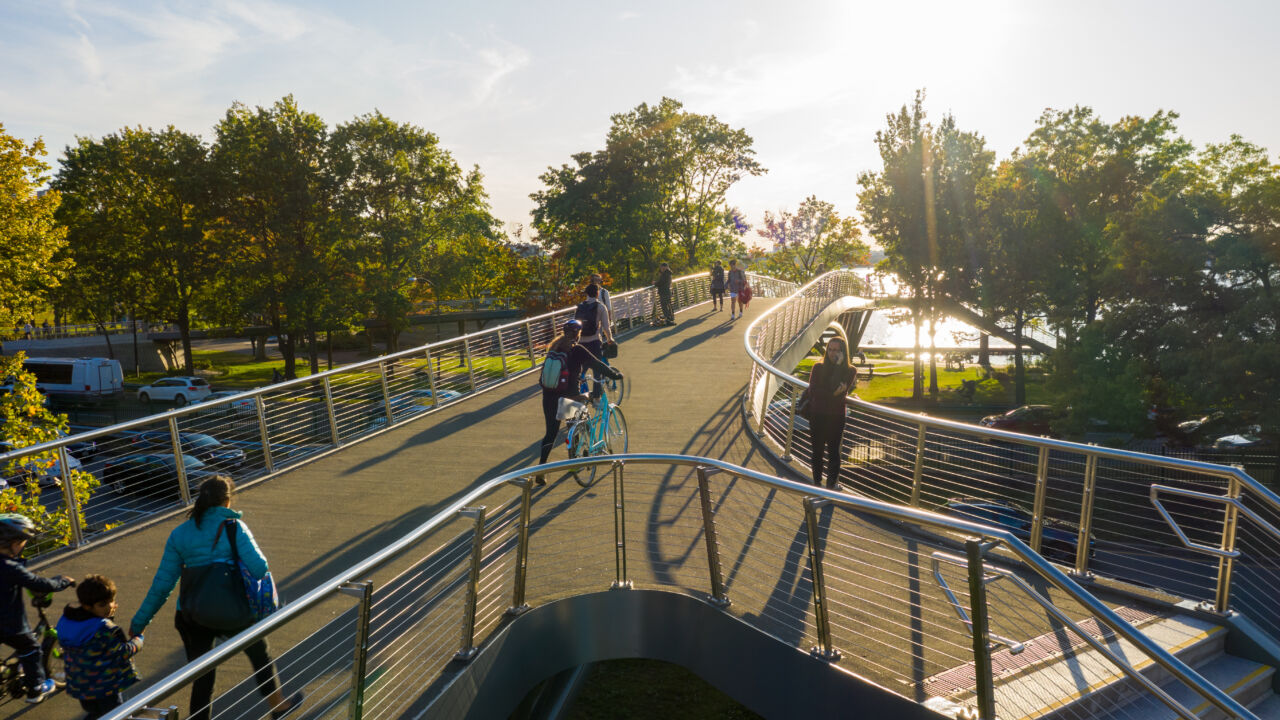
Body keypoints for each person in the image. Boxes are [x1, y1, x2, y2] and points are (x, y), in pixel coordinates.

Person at [130, 477, 302, 720]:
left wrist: (139, 623)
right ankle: (278, 705)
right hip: (235, 610)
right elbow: (259, 568)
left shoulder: (179, 534)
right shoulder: (234, 526)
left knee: (203, 675)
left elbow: (162, 585)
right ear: (227, 500)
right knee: (259, 654)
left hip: (193, 614)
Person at [537, 319, 623, 485]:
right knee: (574, 427)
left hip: (549, 396)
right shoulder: (577, 350)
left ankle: (540, 471)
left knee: (550, 434)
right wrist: (615, 375)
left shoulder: (554, 348)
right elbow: (597, 365)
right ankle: (574, 464)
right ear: (578, 334)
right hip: (570, 397)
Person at [0, 514, 74, 703]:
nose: (24, 546)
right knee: (31, 648)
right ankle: (36, 689)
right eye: (23, 541)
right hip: (8, 624)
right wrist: (62, 581)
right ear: (14, 542)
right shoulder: (9, 568)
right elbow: (40, 583)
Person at [58, 574, 144, 719]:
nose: (110, 606)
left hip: (81, 687)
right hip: (105, 687)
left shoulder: (68, 622)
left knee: (95, 714)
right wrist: (138, 640)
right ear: (87, 606)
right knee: (116, 715)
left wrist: (106, 617)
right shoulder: (103, 628)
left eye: (111, 601)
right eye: (103, 604)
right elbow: (122, 652)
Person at [804, 337, 856, 489]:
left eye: (836, 350)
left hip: (836, 417)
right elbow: (814, 392)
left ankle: (831, 485)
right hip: (818, 414)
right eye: (830, 350)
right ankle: (817, 482)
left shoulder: (850, 371)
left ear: (843, 352)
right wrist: (833, 394)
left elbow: (840, 391)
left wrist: (838, 367)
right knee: (817, 451)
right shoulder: (818, 368)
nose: (833, 353)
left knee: (834, 452)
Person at [575, 284, 615, 391]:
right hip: (594, 342)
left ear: (586, 293)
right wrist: (610, 339)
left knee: (580, 371)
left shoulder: (580, 306)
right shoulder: (601, 307)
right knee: (597, 372)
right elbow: (606, 327)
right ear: (597, 293)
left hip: (580, 344)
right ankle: (597, 398)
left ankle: (580, 394)